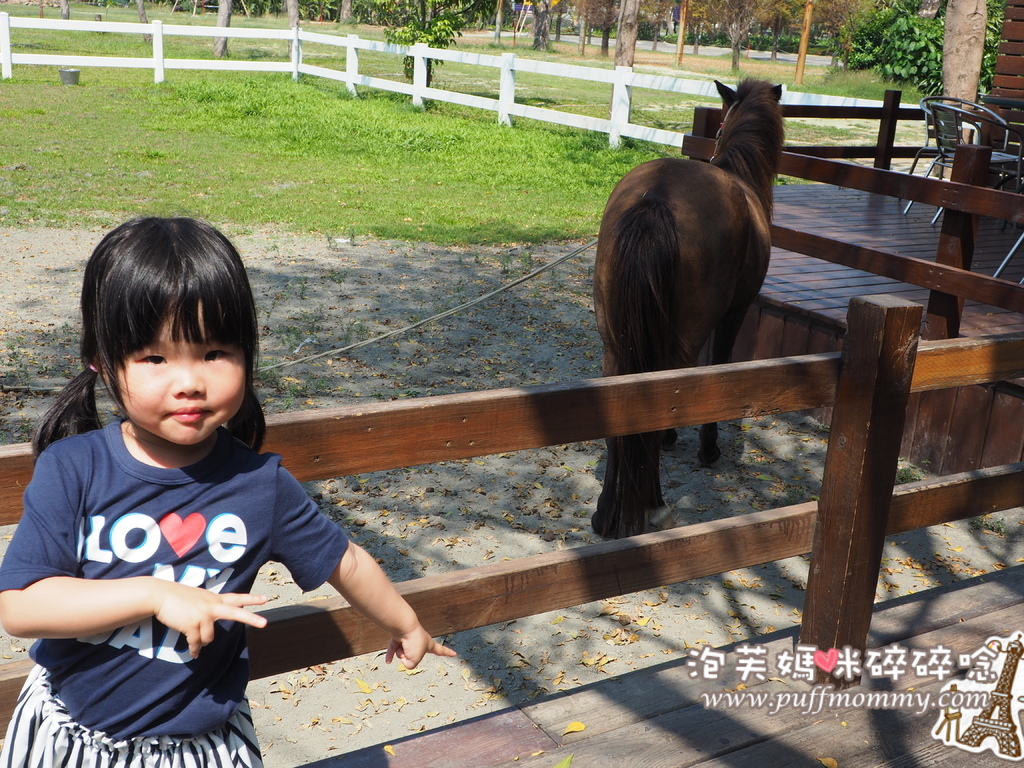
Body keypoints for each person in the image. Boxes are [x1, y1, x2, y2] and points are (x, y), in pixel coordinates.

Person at [0, 217, 456, 767]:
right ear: (102, 359)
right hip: (72, 738)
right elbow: (22, 607)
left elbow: (346, 560)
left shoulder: (259, 486)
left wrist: (404, 623)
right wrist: (156, 594)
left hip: (200, 747)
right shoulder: (75, 468)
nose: (189, 381)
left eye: (214, 352)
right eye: (154, 358)